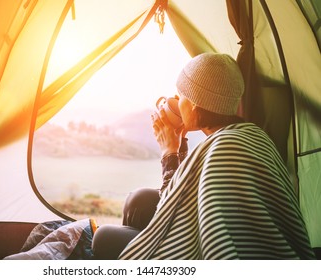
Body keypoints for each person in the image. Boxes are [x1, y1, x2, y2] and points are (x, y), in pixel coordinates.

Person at [92, 53, 315, 259]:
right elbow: (188, 192)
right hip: (228, 226)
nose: (175, 103)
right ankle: (148, 243)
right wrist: (178, 146)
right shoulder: (248, 134)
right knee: (139, 199)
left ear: (195, 105)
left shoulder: (224, 148)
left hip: (219, 249)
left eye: (180, 97)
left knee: (103, 238)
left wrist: (169, 151)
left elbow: (176, 210)